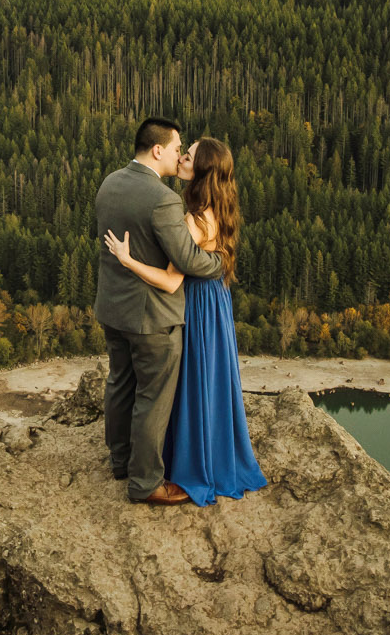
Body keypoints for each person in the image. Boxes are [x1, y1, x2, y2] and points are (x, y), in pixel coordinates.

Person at [103, 137, 267, 507]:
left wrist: (128, 261)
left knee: (189, 382)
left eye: (188, 156)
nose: (181, 158)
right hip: (216, 304)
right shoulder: (216, 207)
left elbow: (171, 280)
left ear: (201, 170)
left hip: (194, 305)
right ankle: (206, 451)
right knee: (207, 380)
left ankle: (185, 462)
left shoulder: (194, 219)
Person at [92, 118, 228, 505]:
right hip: (152, 317)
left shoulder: (110, 183)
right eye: (175, 148)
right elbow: (187, 258)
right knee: (152, 398)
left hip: (113, 308)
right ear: (157, 150)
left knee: (120, 383)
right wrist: (219, 263)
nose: (179, 155)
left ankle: (120, 462)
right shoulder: (163, 198)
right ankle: (146, 482)